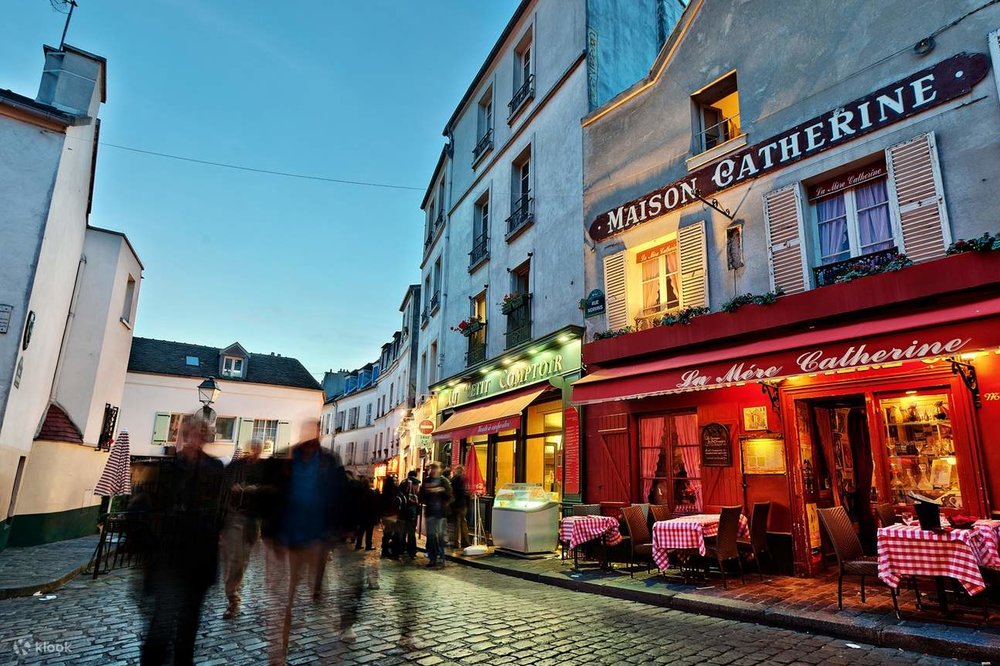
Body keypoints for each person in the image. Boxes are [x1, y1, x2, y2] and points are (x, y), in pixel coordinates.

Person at [136, 410, 226, 665]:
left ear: (206, 438)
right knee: (163, 618)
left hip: (200, 557)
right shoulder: (168, 469)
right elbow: (150, 509)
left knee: (190, 619)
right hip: (170, 557)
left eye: (199, 435)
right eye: (188, 435)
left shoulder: (215, 469)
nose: (193, 440)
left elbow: (219, 510)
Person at [262, 436, 349, 660]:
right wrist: (271, 533)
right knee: (286, 599)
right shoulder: (287, 460)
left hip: (317, 539)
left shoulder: (329, 461)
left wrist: (339, 529)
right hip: (290, 539)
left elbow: (340, 496)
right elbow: (273, 497)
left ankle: (329, 654)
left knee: (319, 596)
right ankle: (279, 654)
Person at [220, 438, 266, 619]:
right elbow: (224, 487)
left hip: (252, 520)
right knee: (234, 559)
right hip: (234, 516)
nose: (254, 450)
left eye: (257, 447)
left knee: (241, 561)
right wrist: (234, 489)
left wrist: (256, 490)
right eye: (252, 447)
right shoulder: (235, 466)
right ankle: (232, 597)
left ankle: (234, 594)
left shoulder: (264, 468)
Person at [419, 462, 452, 567]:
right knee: (431, 537)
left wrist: (441, 491)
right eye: (431, 468)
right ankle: (432, 559)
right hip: (430, 513)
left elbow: (450, 496)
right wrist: (427, 494)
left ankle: (442, 557)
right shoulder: (426, 481)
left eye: (435, 468)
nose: (433, 470)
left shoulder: (444, 481)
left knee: (441, 537)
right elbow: (421, 496)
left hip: (441, 514)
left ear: (439, 470)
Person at [398, 470, 421, 560]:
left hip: (404, 508)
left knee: (402, 530)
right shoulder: (418, 484)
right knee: (411, 531)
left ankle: (401, 548)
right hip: (414, 509)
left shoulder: (404, 482)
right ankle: (412, 551)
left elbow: (399, 494)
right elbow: (420, 496)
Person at [379, 475, 402, 559]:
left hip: (387, 515)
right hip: (392, 515)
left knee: (388, 534)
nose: (396, 482)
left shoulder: (385, 491)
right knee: (393, 534)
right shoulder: (393, 492)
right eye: (395, 480)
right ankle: (392, 552)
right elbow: (395, 503)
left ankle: (386, 549)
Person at [354, 477, 378, 551]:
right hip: (369, 514)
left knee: (361, 531)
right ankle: (368, 545)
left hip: (361, 514)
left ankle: (358, 544)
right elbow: (374, 503)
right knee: (369, 531)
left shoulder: (358, 492)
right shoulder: (370, 492)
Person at [450, 464, 470, 551]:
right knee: (463, 522)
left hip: (455, 504)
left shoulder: (452, 480)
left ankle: (456, 542)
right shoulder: (463, 479)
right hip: (462, 503)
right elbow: (464, 492)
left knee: (457, 523)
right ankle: (465, 542)